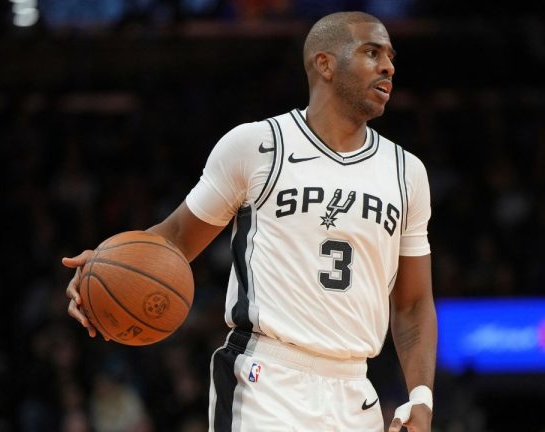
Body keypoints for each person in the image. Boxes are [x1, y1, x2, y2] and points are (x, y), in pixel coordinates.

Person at [63, 10, 436, 432]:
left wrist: (421, 398)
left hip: (355, 389)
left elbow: (413, 302)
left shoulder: (408, 173)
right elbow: (177, 237)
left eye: (390, 56)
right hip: (266, 378)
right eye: (372, 52)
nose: (388, 65)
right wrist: (103, 265)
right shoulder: (257, 145)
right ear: (325, 63)